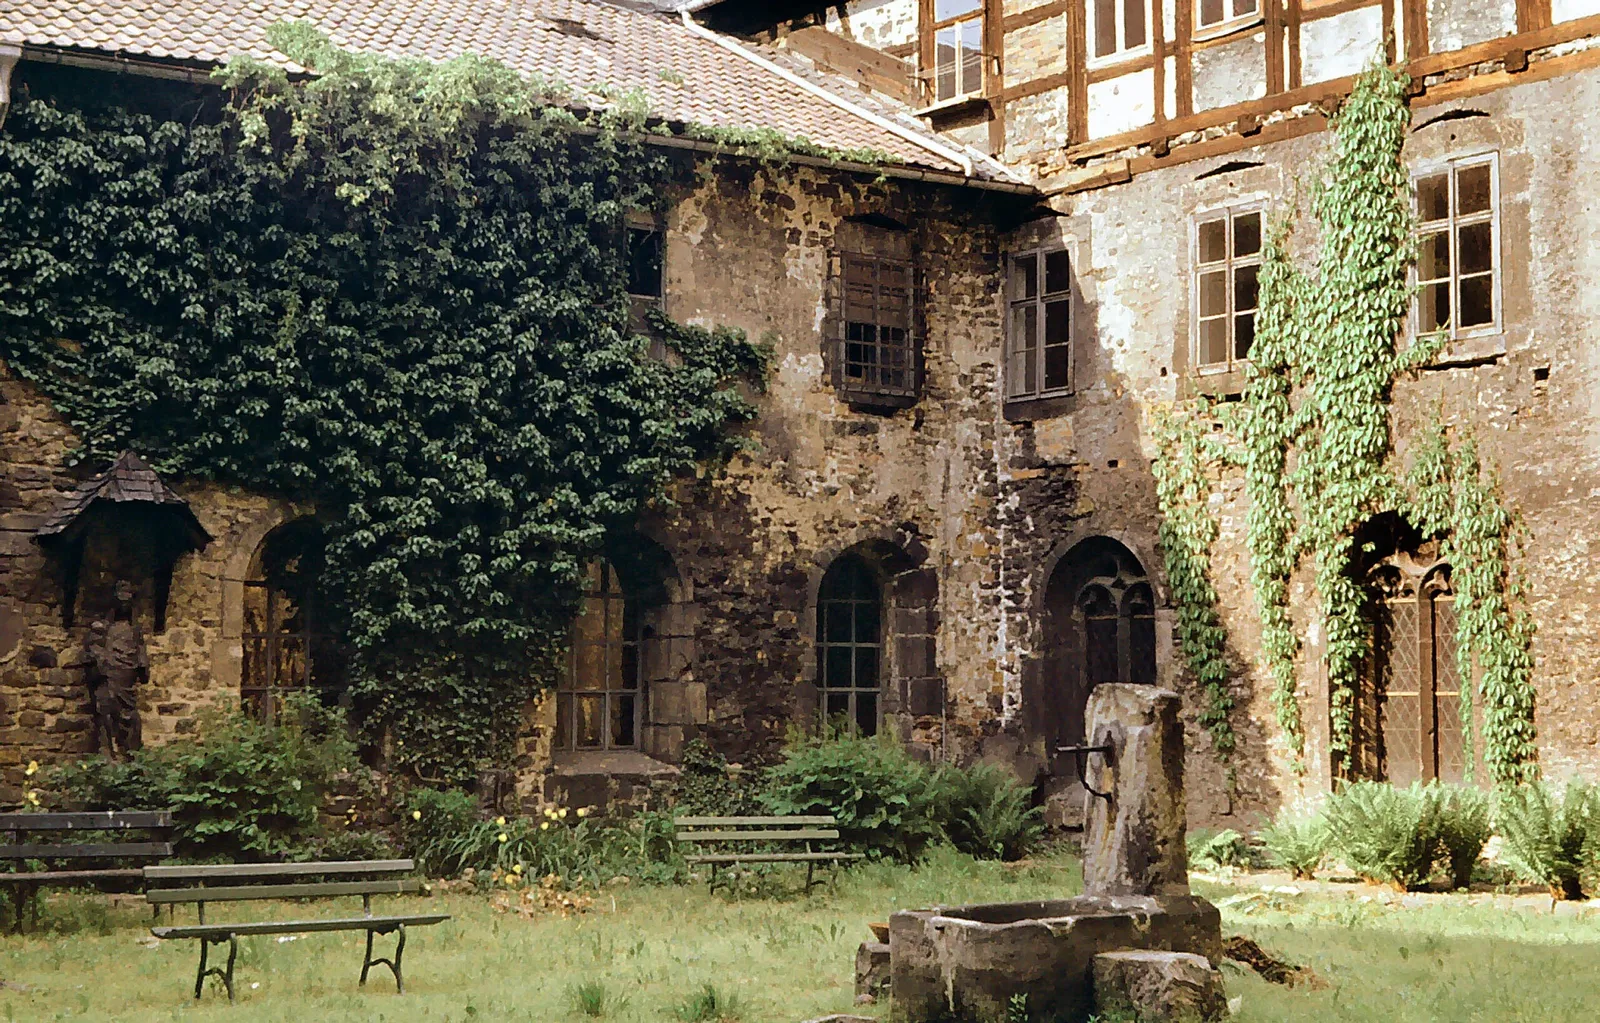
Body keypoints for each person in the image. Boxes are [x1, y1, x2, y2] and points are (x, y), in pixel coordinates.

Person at [84, 581, 146, 755]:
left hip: (125, 679)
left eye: (128, 603)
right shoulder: (101, 629)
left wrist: (140, 663)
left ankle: (131, 753)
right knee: (105, 711)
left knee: (129, 715)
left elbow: (142, 661)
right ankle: (107, 752)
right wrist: (102, 661)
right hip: (107, 678)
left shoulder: (134, 631)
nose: (124, 607)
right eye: (121, 602)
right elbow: (92, 652)